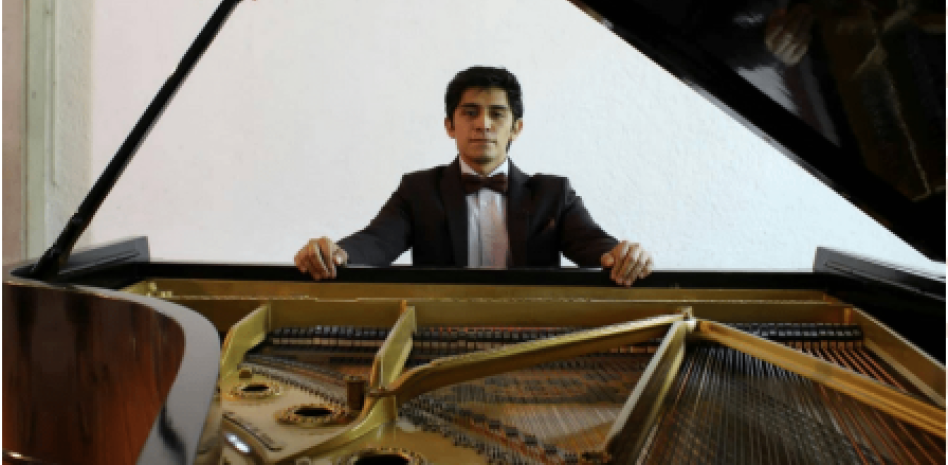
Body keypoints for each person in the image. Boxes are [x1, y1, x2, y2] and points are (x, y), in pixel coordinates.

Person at [294, 66, 653, 287]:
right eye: (470, 113)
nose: (483, 124)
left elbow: (592, 244)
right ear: (450, 126)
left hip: (533, 338)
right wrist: (336, 254)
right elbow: (376, 242)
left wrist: (622, 255)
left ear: (516, 128)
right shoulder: (418, 190)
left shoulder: (552, 193)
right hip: (439, 335)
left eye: (497, 114)